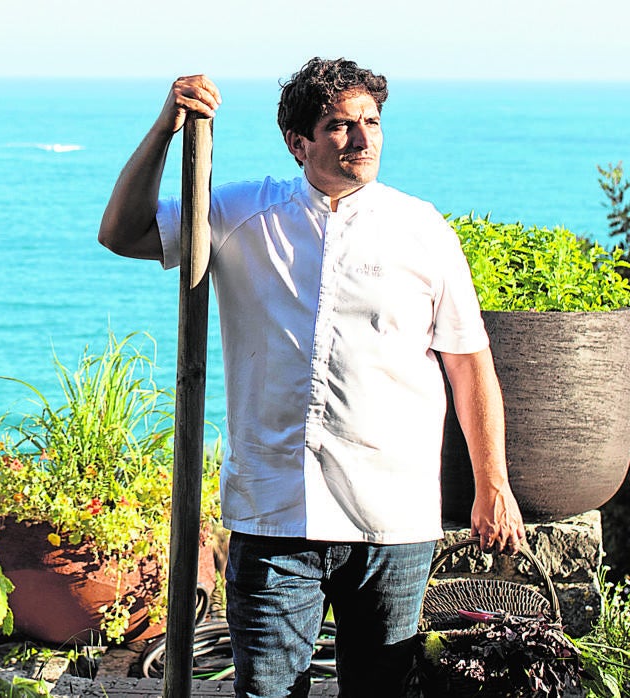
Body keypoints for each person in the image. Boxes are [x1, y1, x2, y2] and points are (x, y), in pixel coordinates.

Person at [98, 57, 527, 698]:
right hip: (275, 518)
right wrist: (168, 126)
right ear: (298, 142)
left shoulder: (423, 230)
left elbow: (469, 366)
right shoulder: (241, 214)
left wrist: (494, 484)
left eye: (372, 122)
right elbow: (122, 232)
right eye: (339, 126)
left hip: (393, 519)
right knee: (267, 692)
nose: (362, 139)